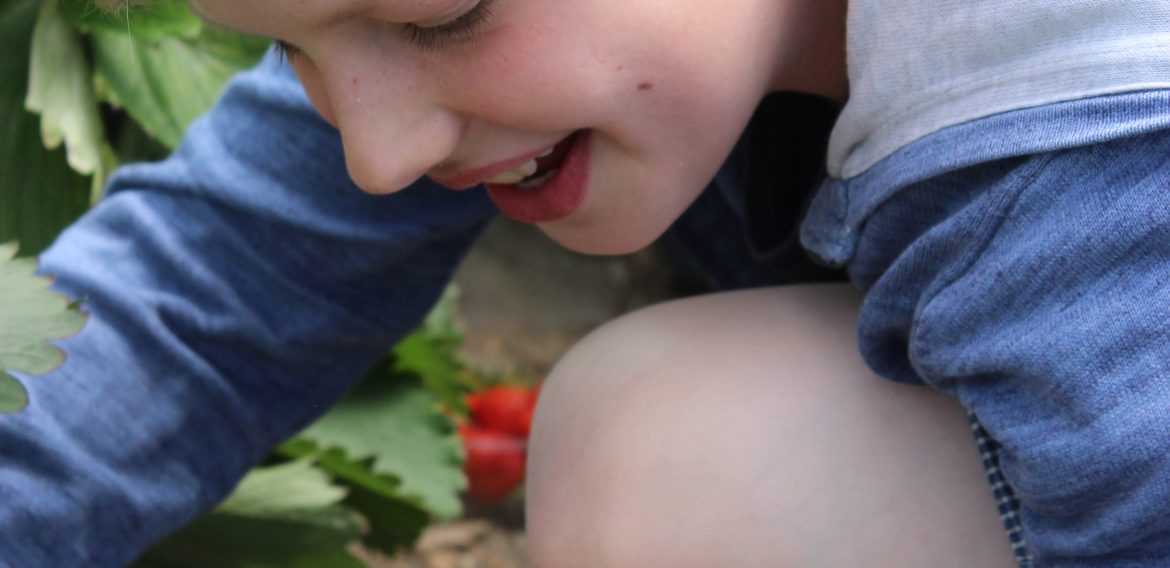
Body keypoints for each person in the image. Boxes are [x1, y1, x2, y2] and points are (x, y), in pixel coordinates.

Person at [4, 0, 1169, 565]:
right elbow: (218, 287)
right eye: (301, 50)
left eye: (437, 15)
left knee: (677, 459)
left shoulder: (1071, 150)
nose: (378, 151)